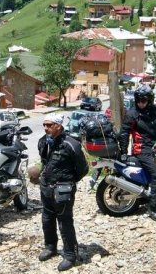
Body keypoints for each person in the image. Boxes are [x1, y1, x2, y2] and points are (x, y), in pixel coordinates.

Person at [119, 85, 156, 222]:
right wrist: (123, 152)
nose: (141, 103)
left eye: (144, 100)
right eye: (139, 100)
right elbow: (124, 133)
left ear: (149, 100)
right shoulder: (132, 114)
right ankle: (153, 209)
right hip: (143, 150)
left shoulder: (155, 110)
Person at [37, 113, 89, 272]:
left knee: (65, 221)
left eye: (49, 125)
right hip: (47, 187)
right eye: (44, 125)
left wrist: (68, 182)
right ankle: (50, 247)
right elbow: (44, 161)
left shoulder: (71, 144)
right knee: (47, 218)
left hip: (63, 190)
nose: (46, 128)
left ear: (59, 126)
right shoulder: (43, 142)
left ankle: (70, 255)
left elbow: (83, 169)